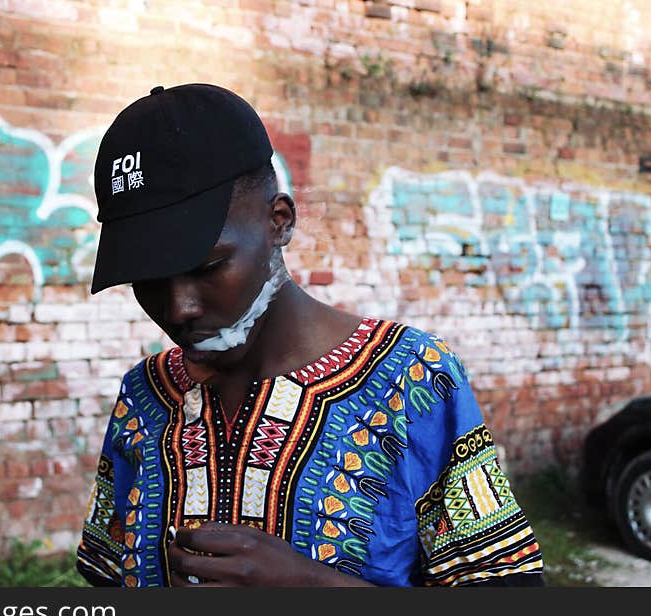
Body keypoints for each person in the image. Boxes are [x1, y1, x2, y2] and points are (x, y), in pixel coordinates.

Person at [75, 83, 545, 587]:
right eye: (147, 280)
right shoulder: (145, 396)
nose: (179, 308)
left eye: (208, 267)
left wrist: (313, 587)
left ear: (280, 222)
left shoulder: (413, 380)